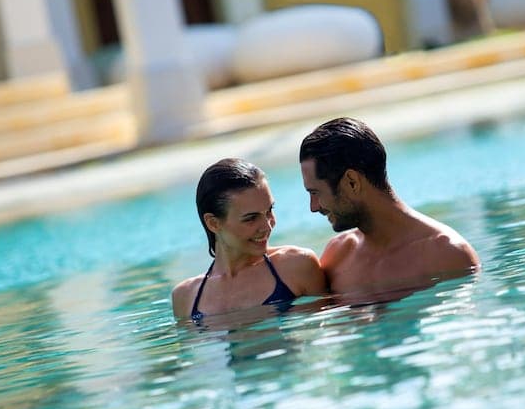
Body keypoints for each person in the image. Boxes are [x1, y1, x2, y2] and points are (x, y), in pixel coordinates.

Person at [299, 117, 480, 297]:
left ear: (352, 182)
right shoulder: (338, 255)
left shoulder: (446, 254)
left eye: (315, 193)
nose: (313, 207)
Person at [172, 158, 327, 322]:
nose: (267, 226)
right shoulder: (186, 297)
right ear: (213, 223)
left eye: (269, 210)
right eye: (251, 218)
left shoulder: (297, 265)